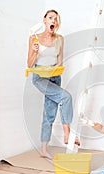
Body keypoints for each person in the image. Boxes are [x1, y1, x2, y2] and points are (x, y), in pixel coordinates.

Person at [27, 10, 78, 160]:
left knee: (49, 112)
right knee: (66, 97)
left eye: (56, 19)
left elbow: (60, 61)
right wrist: (35, 52)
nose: (53, 21)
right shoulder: (34, 38)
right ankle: (67, 133)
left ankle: (43, 149)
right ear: (44, 21)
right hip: (40, 78)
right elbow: (29, 64)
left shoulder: (60, 39)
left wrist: (54, 70)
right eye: (50, 18)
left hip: (54, 77)